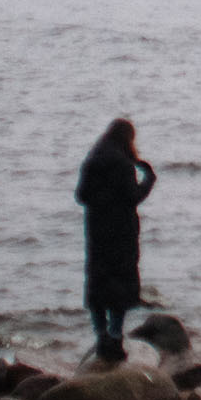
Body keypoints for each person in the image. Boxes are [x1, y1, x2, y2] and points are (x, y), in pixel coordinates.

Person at [75, 117, 157, 363]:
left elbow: (81, 195)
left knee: (98, 287)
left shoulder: (92, 160)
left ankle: (101, 338)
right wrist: (149, 179)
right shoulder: (122, 164)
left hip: (97, 233)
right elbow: (133, 197)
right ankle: (116, 338)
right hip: (121, 235)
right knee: (119, 288)